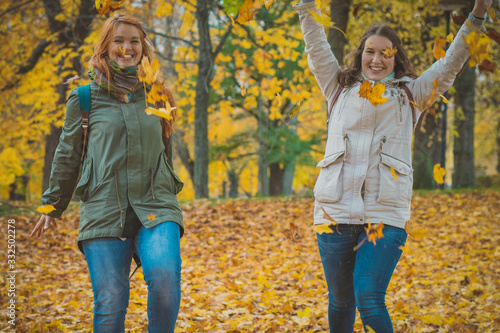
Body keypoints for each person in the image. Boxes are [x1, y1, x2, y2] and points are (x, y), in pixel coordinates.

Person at [294, 0, 492, 332]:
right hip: (334, 214)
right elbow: (316, 44)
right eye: (370, 51)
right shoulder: (338, 88)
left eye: (386, 53)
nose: (376, 58)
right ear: (360, 55)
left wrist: (476, 16)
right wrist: (306, 5)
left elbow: (450, 64)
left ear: (395, 58)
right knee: (340, 300)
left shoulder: (410, 95)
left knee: (369, 296)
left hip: (384, 216)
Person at [31, 13, 184, 333]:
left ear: (143, 48)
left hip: (156, 205)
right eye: (119, 41)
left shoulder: (158, 95)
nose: (127, 48)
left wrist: (167, 188)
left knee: (166, 279)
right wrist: (53, 203)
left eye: (134, 42)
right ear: (105, 47)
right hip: (103, 208)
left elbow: (164, 148)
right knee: (111, 301)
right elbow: (68, 154)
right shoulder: (84, 97)